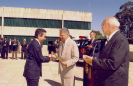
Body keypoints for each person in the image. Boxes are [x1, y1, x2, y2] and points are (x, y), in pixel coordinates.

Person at [83, 17, 129, 86]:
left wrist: (92, 61)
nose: (101, 28)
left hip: (114, 82)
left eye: (102, 25)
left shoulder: (120, 40)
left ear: (108, 25)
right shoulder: (111, 39)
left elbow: (113, 63)